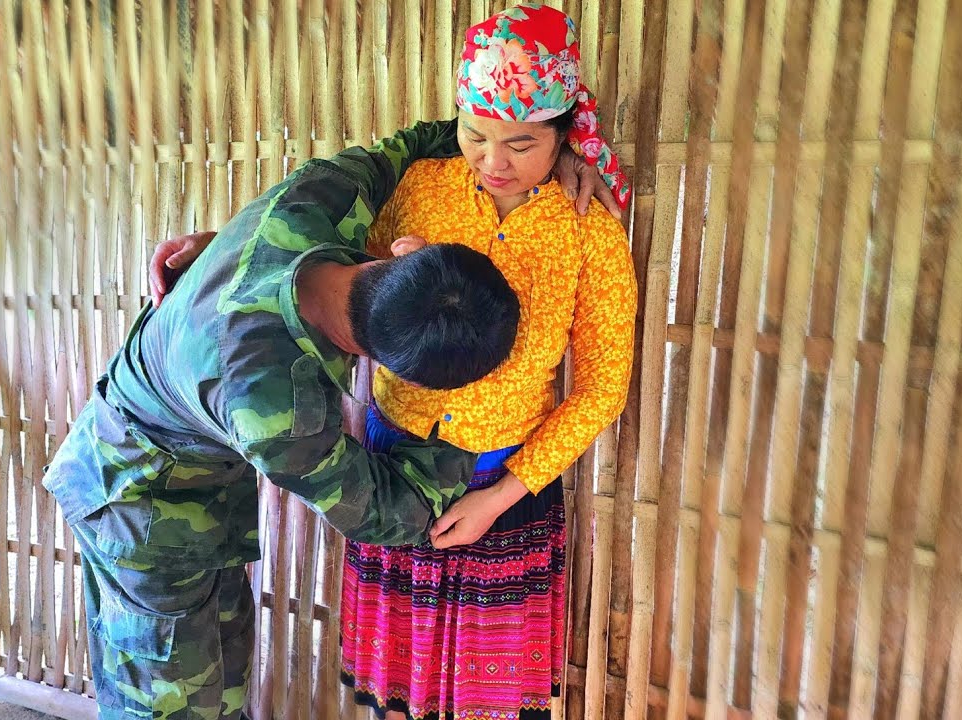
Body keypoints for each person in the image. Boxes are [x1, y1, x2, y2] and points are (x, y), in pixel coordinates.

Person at [151, 5, 637, 718]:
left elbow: (601, 388)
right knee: (396, 685)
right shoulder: (421, 185)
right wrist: (218, 246)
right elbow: (324, 255)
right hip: (387, 466)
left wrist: (497, 496)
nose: (493, 161)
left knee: (488, 694)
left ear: (564, 134)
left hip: (504, 482)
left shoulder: (587, 230)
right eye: (475, 132)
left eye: (524, 143)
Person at [43, 122, 526, 720]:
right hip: (136, 509)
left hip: (197, 491)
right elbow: (380, 512)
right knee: (166, 709)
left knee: (224, 691)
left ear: (408, 251)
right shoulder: (276, 408)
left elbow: (410, 144)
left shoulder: (319, 196)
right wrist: (465, 439)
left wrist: (551, 144)